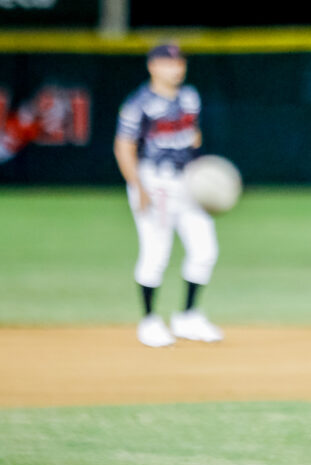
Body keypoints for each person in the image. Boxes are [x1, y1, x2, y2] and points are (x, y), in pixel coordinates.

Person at [114, 42, 222, 347]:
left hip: (187, 182)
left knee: (205, 250)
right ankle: (148, 321)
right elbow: (124, 147)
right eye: (169, 63)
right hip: (154, 181)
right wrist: (138, 186)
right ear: (153, 66)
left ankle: (188, 316)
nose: (176, 68)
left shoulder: (190, 97)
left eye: (180, 62)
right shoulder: (139, 103)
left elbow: (194, 134)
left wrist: (202, 177)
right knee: (155, 254)